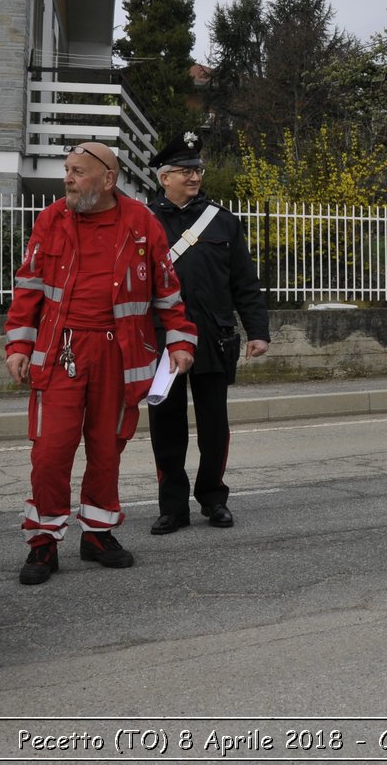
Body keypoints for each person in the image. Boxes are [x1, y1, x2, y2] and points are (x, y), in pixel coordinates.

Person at [4, 140, 196, 585]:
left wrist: (181, 341)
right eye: (67, 170)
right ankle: (43, 542)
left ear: (108, 179)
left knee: (107, 451)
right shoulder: (51, 219)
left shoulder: (142, 223)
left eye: (77, 171)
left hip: (119, 356)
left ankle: (97, 534)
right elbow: (28, 287)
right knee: (50, 453)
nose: (67, 178)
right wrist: (18, 346)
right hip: (61, 354)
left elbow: (167, 292)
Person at [145, 130, 270, 534]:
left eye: (197, 170)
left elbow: (244, 283)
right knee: (167, 428)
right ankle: (172, 507)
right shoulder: (144, 221)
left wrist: (257, 330)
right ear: (164, 178)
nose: (194, 177)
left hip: (214, 339)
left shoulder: (223, 221)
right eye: (184, 171)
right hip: (162, 341)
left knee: (215, 427)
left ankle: (214, 498)